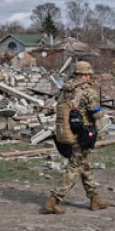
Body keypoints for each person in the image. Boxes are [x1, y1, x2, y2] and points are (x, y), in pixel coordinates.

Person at [44, 60, 109, 214]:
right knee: (75, 168)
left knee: (85, 166)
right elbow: (97, 113)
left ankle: (95, 199)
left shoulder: (65, 89)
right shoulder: (88, 91)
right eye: (88, 75)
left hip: (67, 133)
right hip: (82, 135)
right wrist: (101, 113)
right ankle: (54, 199)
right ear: (86, 75)